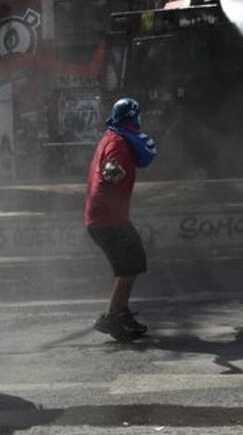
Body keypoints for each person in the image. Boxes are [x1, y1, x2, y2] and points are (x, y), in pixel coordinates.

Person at [86, 98, 157, 341]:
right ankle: (112, 315)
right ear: (133, 117)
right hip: (108, 219)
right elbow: (110, 170)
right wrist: (114, 172)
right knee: (131, 264)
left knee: (132, 263)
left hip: (107, 217)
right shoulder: (117, 141)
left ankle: (120, 312)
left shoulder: (113, 136)